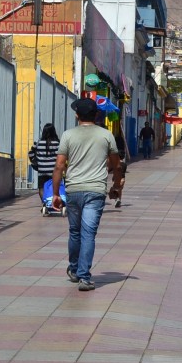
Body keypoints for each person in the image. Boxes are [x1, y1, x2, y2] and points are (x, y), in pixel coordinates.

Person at [51, 97, 123, 291]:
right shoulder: (106, 135)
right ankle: (84, 277)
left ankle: (74, 270)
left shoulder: (67, 135)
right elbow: (117, 165)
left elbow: (59, 166)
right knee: (88, 233)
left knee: (75, 232)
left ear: (77, 115)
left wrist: (56, 193)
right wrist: (117, 186)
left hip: (73, 190)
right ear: (97, 115)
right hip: (95, 191)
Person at [31, 123, 59, 205]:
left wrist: (35, 161)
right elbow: (60, 155)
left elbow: (31, 153)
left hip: (42, 170)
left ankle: (45, 204)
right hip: (54, 171)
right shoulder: (57, 143)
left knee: (42, 188)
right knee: (54, 187)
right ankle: (53, 202)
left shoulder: (38, 143)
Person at [112, 129, 129, 209]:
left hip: (116, 179)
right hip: (122, 179)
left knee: (115, 189)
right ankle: (119, 199)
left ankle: (116, 199)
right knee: (120, 190)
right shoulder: (124, 164)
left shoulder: (117, 164)